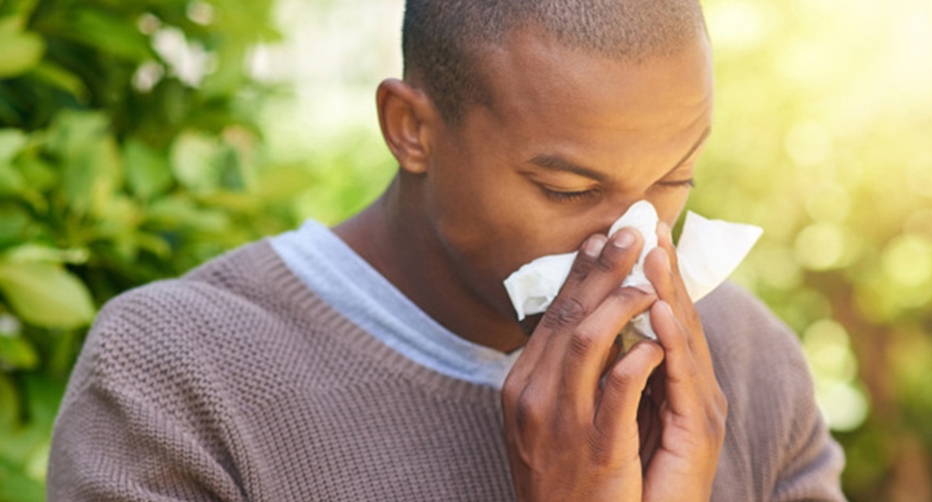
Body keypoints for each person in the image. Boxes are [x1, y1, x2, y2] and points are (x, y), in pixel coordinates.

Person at [47, 0, 847, 500]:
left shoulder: (745, 367)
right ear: (412, 130)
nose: (631, 242)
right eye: (568, 189)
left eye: (676, 179)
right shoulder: (181, 378)